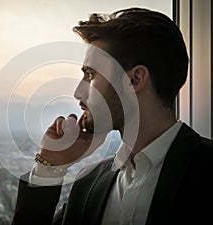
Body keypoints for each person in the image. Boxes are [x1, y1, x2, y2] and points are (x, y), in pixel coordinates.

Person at [11, 7, 213, 225]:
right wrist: (49, 166)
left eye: (90, 75)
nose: (78, 92)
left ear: (134, 80)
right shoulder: (88, 185)